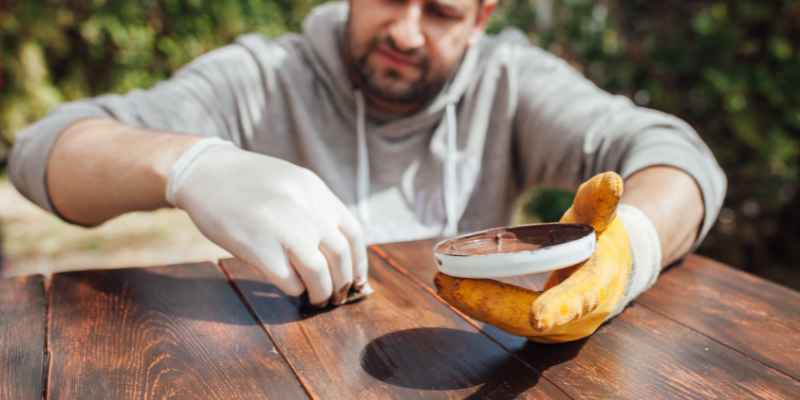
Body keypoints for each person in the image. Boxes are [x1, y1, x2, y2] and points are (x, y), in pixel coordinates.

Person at [9, 0, 725, 340]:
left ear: (481, 17)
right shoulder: (265, 75)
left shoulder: (512, 83)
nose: (406, 32)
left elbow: (679, 158)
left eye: (441, 11)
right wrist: (190, 164)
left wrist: (630, 248)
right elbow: (43, 151)